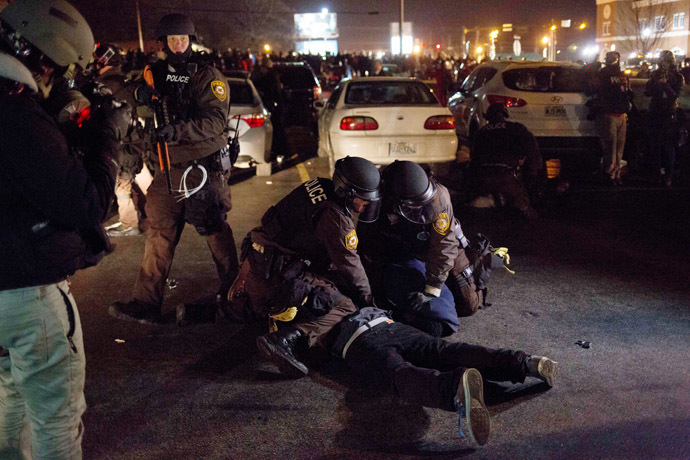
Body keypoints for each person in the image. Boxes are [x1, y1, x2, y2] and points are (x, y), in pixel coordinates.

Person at [0, 0, 124, 457]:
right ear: (44, 59)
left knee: (9, 399)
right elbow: (86, 203)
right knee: (56, 418)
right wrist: (106, 137)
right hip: (27, 294)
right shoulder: (16, 116)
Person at [110, 13, 239, 324]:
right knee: (158, 233)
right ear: (163, 43)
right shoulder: (155, 72)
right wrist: (139, 93)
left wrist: (178, 131)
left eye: (183, 40)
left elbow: (215, 121)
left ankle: (240, 294)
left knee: (213, 228)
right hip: (168, 169)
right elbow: (123, 94)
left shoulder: (207, 75)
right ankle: (146, 303)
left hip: (202, 169)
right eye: (173, 40)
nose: (179, 45)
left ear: (191, 41)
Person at [230, 156, 382, 377]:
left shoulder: (319, 185)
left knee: (257, 305)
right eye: (363, 199)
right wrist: (368, 299)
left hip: (258, 259)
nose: (366, 204)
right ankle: (284, 340)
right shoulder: (335, 219)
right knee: (345, 306)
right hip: (276, 275)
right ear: (346, 192)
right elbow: (350, 266)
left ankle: (211, 310)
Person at [325, 306, 558, 446]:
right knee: (447, 351)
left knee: (399, 374)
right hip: (386, 322)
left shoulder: (301, 308)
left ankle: (454, 389)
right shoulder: (336, 282)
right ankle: (526, 363)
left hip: (357, 340)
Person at [359, 161, 494, 338]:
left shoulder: (438, 197)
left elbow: (443, 247)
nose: (419, 208)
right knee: (379, 298)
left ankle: (472, 271)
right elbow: (365, 238)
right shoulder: (381, 198)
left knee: (468, 306)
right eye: (413, 205)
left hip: (441, 246)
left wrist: (433, 288)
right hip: (402, 247)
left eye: (421, 203)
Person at [87, 42, 153, 237]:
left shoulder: (106, 84)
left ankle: (129, 222)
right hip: (134, 140)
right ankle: (159, 214)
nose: (94, 64)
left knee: (121, 184)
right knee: (143, 177)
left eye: (97, 60)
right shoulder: (120, 80)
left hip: (121, 142)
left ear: (104, 60)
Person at [469, 103, 543, 218]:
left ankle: (493, 200)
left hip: (484, 180)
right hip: (508, 178)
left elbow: (474, 159)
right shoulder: (517, 129)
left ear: (488, 117)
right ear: (505, 115)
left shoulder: (481, 132)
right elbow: (533, 152)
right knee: (527, 211)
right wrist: (532, 174)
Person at [586, 51, 631, 186]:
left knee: (617, 149)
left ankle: (615, 174)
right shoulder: (603, 74)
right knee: (611, 147)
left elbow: (628, 93)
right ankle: (610, 175)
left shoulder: (621, 74)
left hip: (620, 114)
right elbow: (591, 89)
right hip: (609, 114)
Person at [645, 50, 685, 187]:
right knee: (654, 145)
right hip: (655, 112)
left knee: (669, 146)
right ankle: (656, 174)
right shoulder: (655, 74)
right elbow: (647, 92)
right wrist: (654, 82)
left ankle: (668, 174)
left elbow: (674, 95)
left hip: (668, 114)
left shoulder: (678, 77)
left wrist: (665, 84)